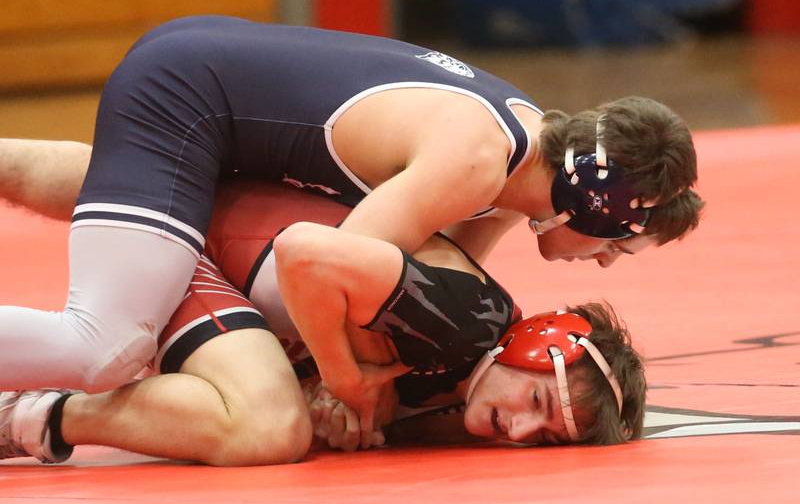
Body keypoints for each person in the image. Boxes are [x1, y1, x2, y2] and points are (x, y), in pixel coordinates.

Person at [0, 15, 699, 438]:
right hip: (189, 101)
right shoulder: (478, 160)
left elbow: (425, 268)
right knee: (105, 347)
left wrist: (364, 373)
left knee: (150, 193)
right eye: (620, 245)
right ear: (595, 205)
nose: (606, 264)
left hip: (211, 90)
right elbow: (318, 264)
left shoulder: (518, 152)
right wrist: (342, 383)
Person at [1, 172, 644, 465]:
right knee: (269, 427)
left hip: (223, 252)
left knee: (282, 415)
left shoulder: (459, 392)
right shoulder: (463, 321)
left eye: (546, 436)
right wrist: (339, 379)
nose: (522, 430)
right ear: (527, 347)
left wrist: (340, 404)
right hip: (195, 244)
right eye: (536, 399)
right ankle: (29, 415)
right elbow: (303, 250)